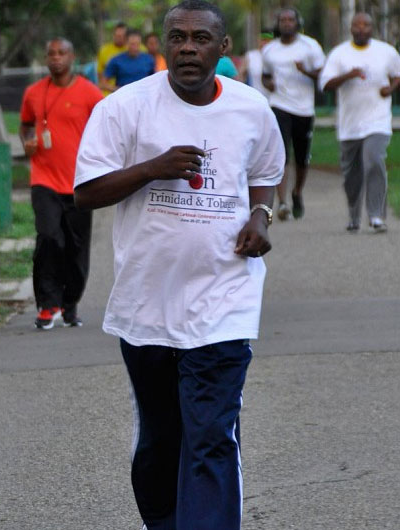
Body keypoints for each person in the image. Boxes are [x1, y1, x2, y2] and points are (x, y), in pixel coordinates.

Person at [74, 1, 285, 528]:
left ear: (223, 47)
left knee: (212, 435)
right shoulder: (124, 108)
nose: (188, 48)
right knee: (161, 441)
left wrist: (261, 216)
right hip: (147, 303)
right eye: (178, 37)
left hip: (225, 299)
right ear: (163, 45)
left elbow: (266, 173)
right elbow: (86, 193)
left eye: (200, 38)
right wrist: (153, 167)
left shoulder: (251, 108)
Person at [19, 38, 103, 329]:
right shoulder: (33, 93)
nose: (56, 58)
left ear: (72, 57)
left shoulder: (90, 93)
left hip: (81, 183)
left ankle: (70, 304)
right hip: (44, 179)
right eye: (51, 53)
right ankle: (47, 303)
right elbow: (25, 126)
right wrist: (27, 141)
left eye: (62, 53)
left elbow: (106, 130)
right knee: (49, 238)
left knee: (76, 249)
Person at [319, 12, 400, 233]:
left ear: (372, 28)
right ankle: (354, 214)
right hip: (350, 125)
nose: (361, 28)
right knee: (351, 176)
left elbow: (398, 74)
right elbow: (325, 85)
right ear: (351, 28)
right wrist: (349, 75)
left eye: (366, 25)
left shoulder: (386, 51)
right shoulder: (340, 54)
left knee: (374, 160)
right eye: (357, 25)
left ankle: (376, 216)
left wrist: (390, 89)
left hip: (378, 121)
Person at [262, 7, 325, 221]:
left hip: (304, 108)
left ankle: (297, 192)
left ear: (298, 23)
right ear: (278, 24)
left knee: (301, 157)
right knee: (281, 153)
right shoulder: (270, 50)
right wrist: (269, 84)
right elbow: (265, 75)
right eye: (283, 20)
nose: (287, 23)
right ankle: (282, 203)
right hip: (279, 104)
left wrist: (305, 70)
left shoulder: (310, 46)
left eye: (290, 20)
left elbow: (323, 74)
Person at [97, 22, 128, 95]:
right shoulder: (104, 51)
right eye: (117, 36)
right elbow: (100, 78)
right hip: (109, 94)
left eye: (122, 36)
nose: (119, 38)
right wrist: (117, 89)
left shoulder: (135, 49)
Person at [242, 31, 273, 98]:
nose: (265, 43)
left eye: (267, 40)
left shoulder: (276, 56)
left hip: (274, 100)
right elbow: (241, 75)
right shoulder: (250, 55)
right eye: (263, 40)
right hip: (256, 97)